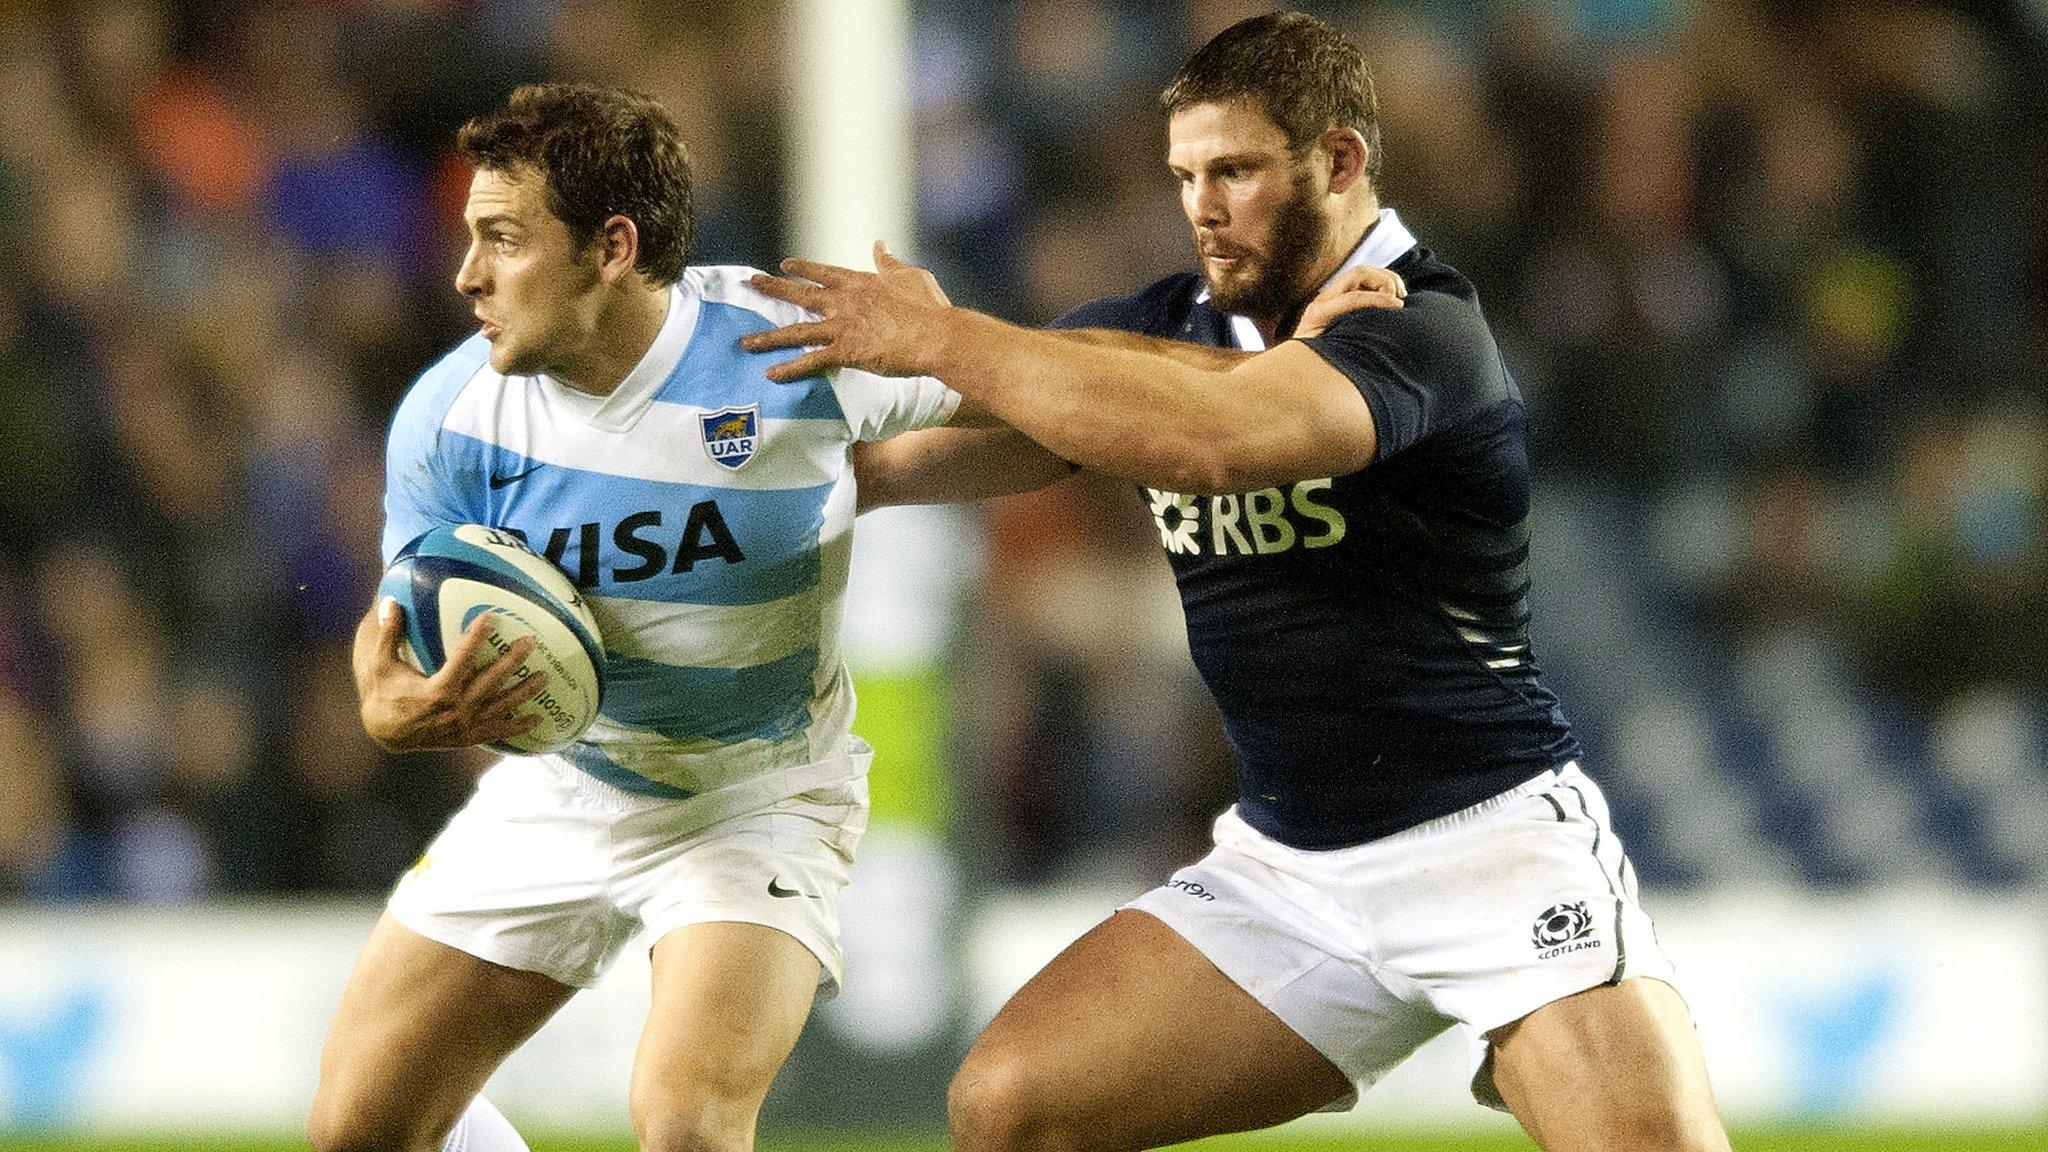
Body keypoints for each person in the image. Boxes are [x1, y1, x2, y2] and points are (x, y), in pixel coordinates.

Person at [741, 12, 1733, 1152]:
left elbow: (1215, 436)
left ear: (1341, 161)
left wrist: (946, 338)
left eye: (1237, 171)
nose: (1203, 206)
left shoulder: (1424, 331)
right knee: (1008, 1107)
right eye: (1183, 175)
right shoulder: (1156, 332)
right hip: (1290, 871)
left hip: (1486, 848)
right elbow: (915, 455)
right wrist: (716, 472)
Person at [305, 82, 968, 1152]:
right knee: (357, 1129)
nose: (466, 273)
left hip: (754, 797)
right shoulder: (451, 415)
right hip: (566, 786)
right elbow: (400, 619)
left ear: (611, 247)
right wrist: (390, 705)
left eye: (502, 238)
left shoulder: (786, 348)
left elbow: (1030, 412)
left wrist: (953, 365)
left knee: (684, 1126)